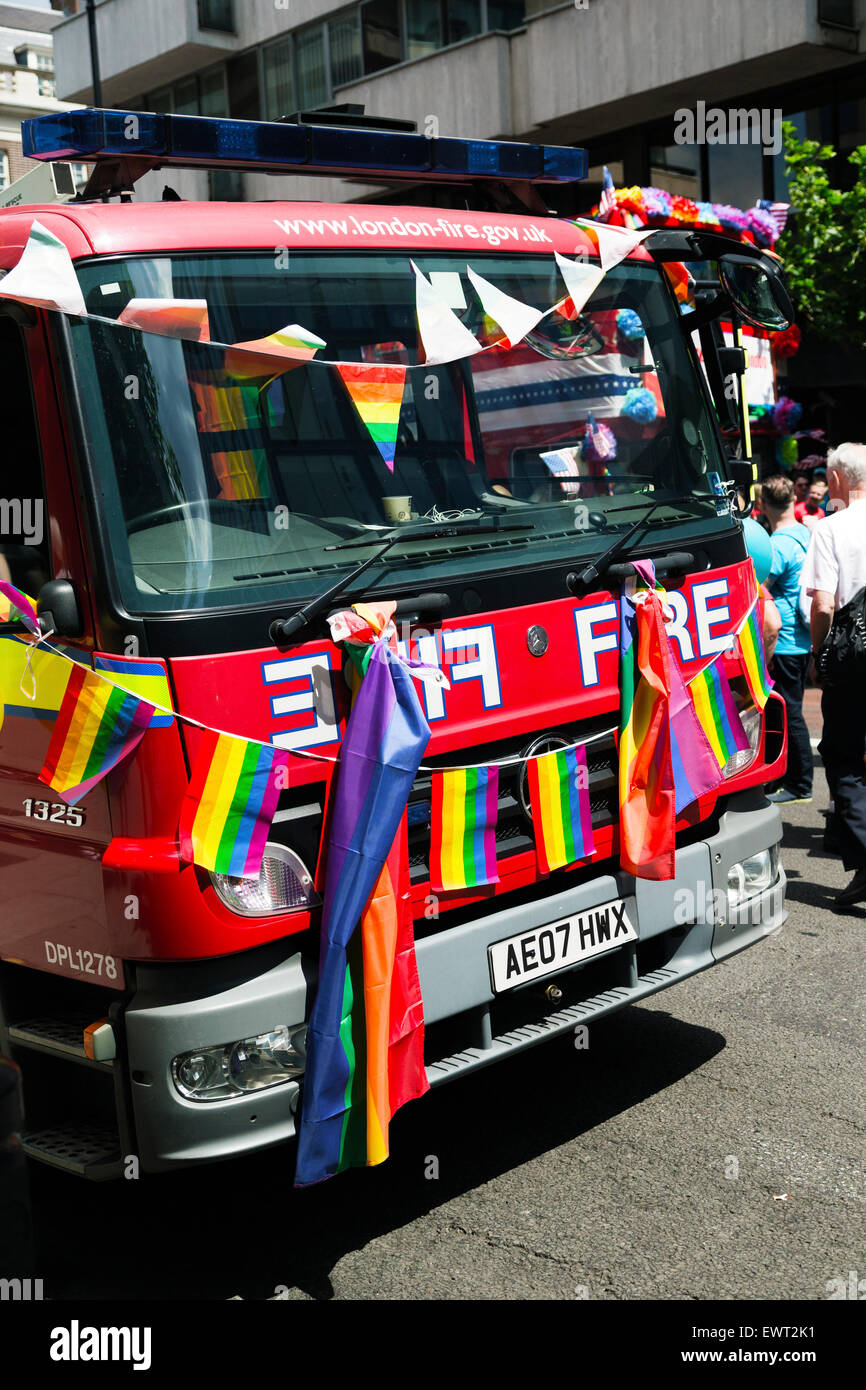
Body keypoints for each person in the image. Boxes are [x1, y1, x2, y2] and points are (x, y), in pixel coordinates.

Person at [801, 442, 866, 908]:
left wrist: (818, 652)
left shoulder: (830, 528)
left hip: (853, 661)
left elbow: (823, 602)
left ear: (840, 478)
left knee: (843, 758)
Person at [760, 475, 813, 803]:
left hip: (785, 640)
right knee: (792, 708)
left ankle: (799, 783)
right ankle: (792, 779)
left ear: (763, 506)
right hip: (803, 636)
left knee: (789, 711)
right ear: (794, 499)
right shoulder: (805, 534)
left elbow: (758, 582)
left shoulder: (778, 545)